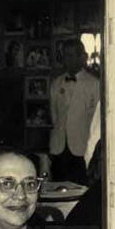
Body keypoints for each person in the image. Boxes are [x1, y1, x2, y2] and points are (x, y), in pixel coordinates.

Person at [49, 39, 99, 183]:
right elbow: (54, 115)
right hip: (59, 148)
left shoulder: (94, 84)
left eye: (70, 55)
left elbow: (96, 120)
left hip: (82, 147)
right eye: (64, 55)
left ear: (81, 57)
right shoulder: (56, 83)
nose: (66, 60)